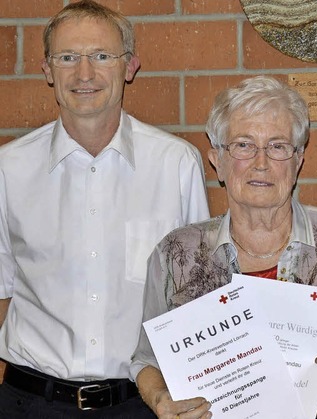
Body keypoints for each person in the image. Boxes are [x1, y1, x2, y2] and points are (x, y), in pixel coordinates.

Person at [130, 75, 317, 419]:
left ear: (298, 159)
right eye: (243, 145)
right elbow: (147, 360)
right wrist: (160, 401)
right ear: (218, 160)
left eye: (277, 146)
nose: (261, 163)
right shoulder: (175, 255)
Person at [0, 1, 210, 417]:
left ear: (129, 66)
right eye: (67, 58)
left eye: (101, 56)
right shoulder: (9, 169)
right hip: (30, 403)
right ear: (46, 71)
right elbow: (2, 291)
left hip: (142, 404)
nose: (84, 74)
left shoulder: (176, 165)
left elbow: (197, 297)